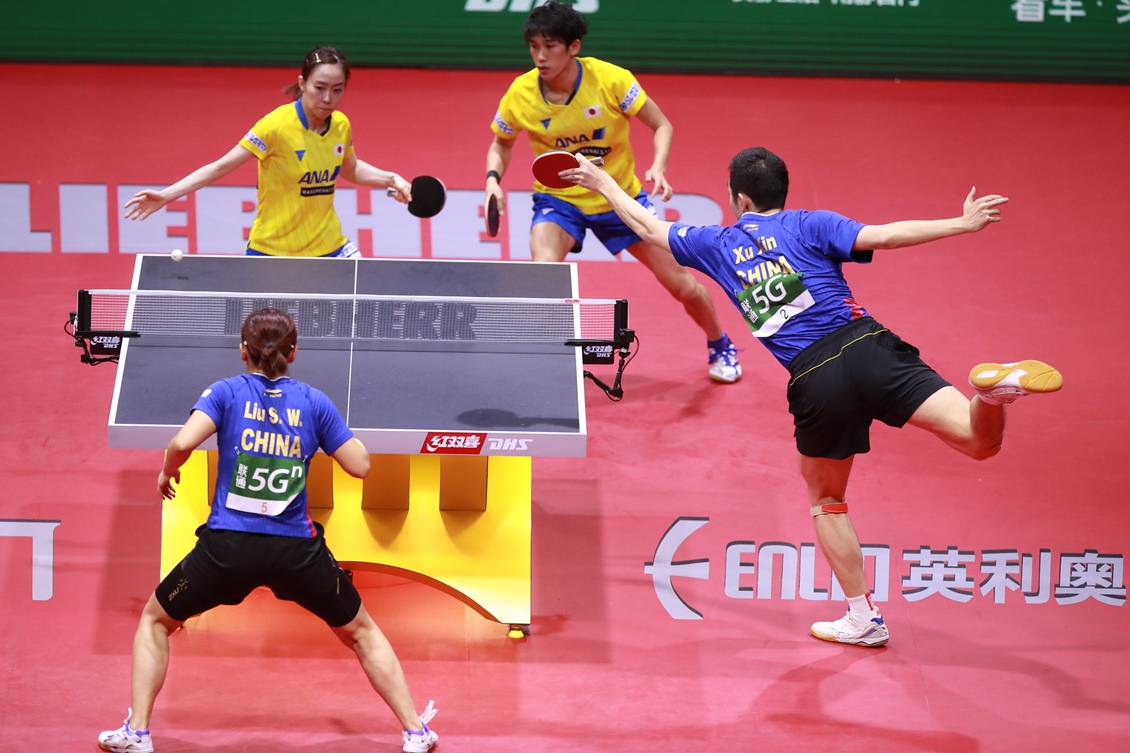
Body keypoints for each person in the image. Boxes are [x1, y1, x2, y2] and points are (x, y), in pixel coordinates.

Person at [562, 146, 1062, 647]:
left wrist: (603, 183)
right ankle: (991, 397)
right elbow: (884, 236)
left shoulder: (717, 242)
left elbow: (649, 228)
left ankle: (863, 616)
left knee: (828, 499)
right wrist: (961, 223)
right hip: (869, 346)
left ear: (739, 197)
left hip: (816, 377)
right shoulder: (811, 223)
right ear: (783, 191)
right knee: (978, 442)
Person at [97, 309, 438, 753]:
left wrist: (167, 473)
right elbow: (361, 467)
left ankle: (138, 733)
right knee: (362, 632)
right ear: (293, 353)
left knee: (156, 621)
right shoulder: (314, 402)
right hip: (296, 553)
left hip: (227, 550)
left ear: (243, 351)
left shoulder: (225, 393)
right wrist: (316, 434)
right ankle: (415, 732)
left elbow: (181, 443)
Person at [483, 0, 742, 384]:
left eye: (550, 46)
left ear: (573, 47)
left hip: (619, 198)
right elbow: (501, 142)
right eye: (534, 46)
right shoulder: (520, 93)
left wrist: (658, 166)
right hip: (560, 200)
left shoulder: (611, 81)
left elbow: (661, 124)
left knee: (681, 285)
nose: (540, 56)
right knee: (542, 275)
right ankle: (548, 355)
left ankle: (720, 343)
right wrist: (492, 179)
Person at [124, 46, 413, 258]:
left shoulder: (340, 125)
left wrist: (392, 179)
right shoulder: (275, 126)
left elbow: (351, 169)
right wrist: (167, 195)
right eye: (320, 87)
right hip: (273, 252)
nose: (328, 98)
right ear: (302, 84)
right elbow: (220, 167)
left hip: (330, 248)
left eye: (337, 90)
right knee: (267, 340)